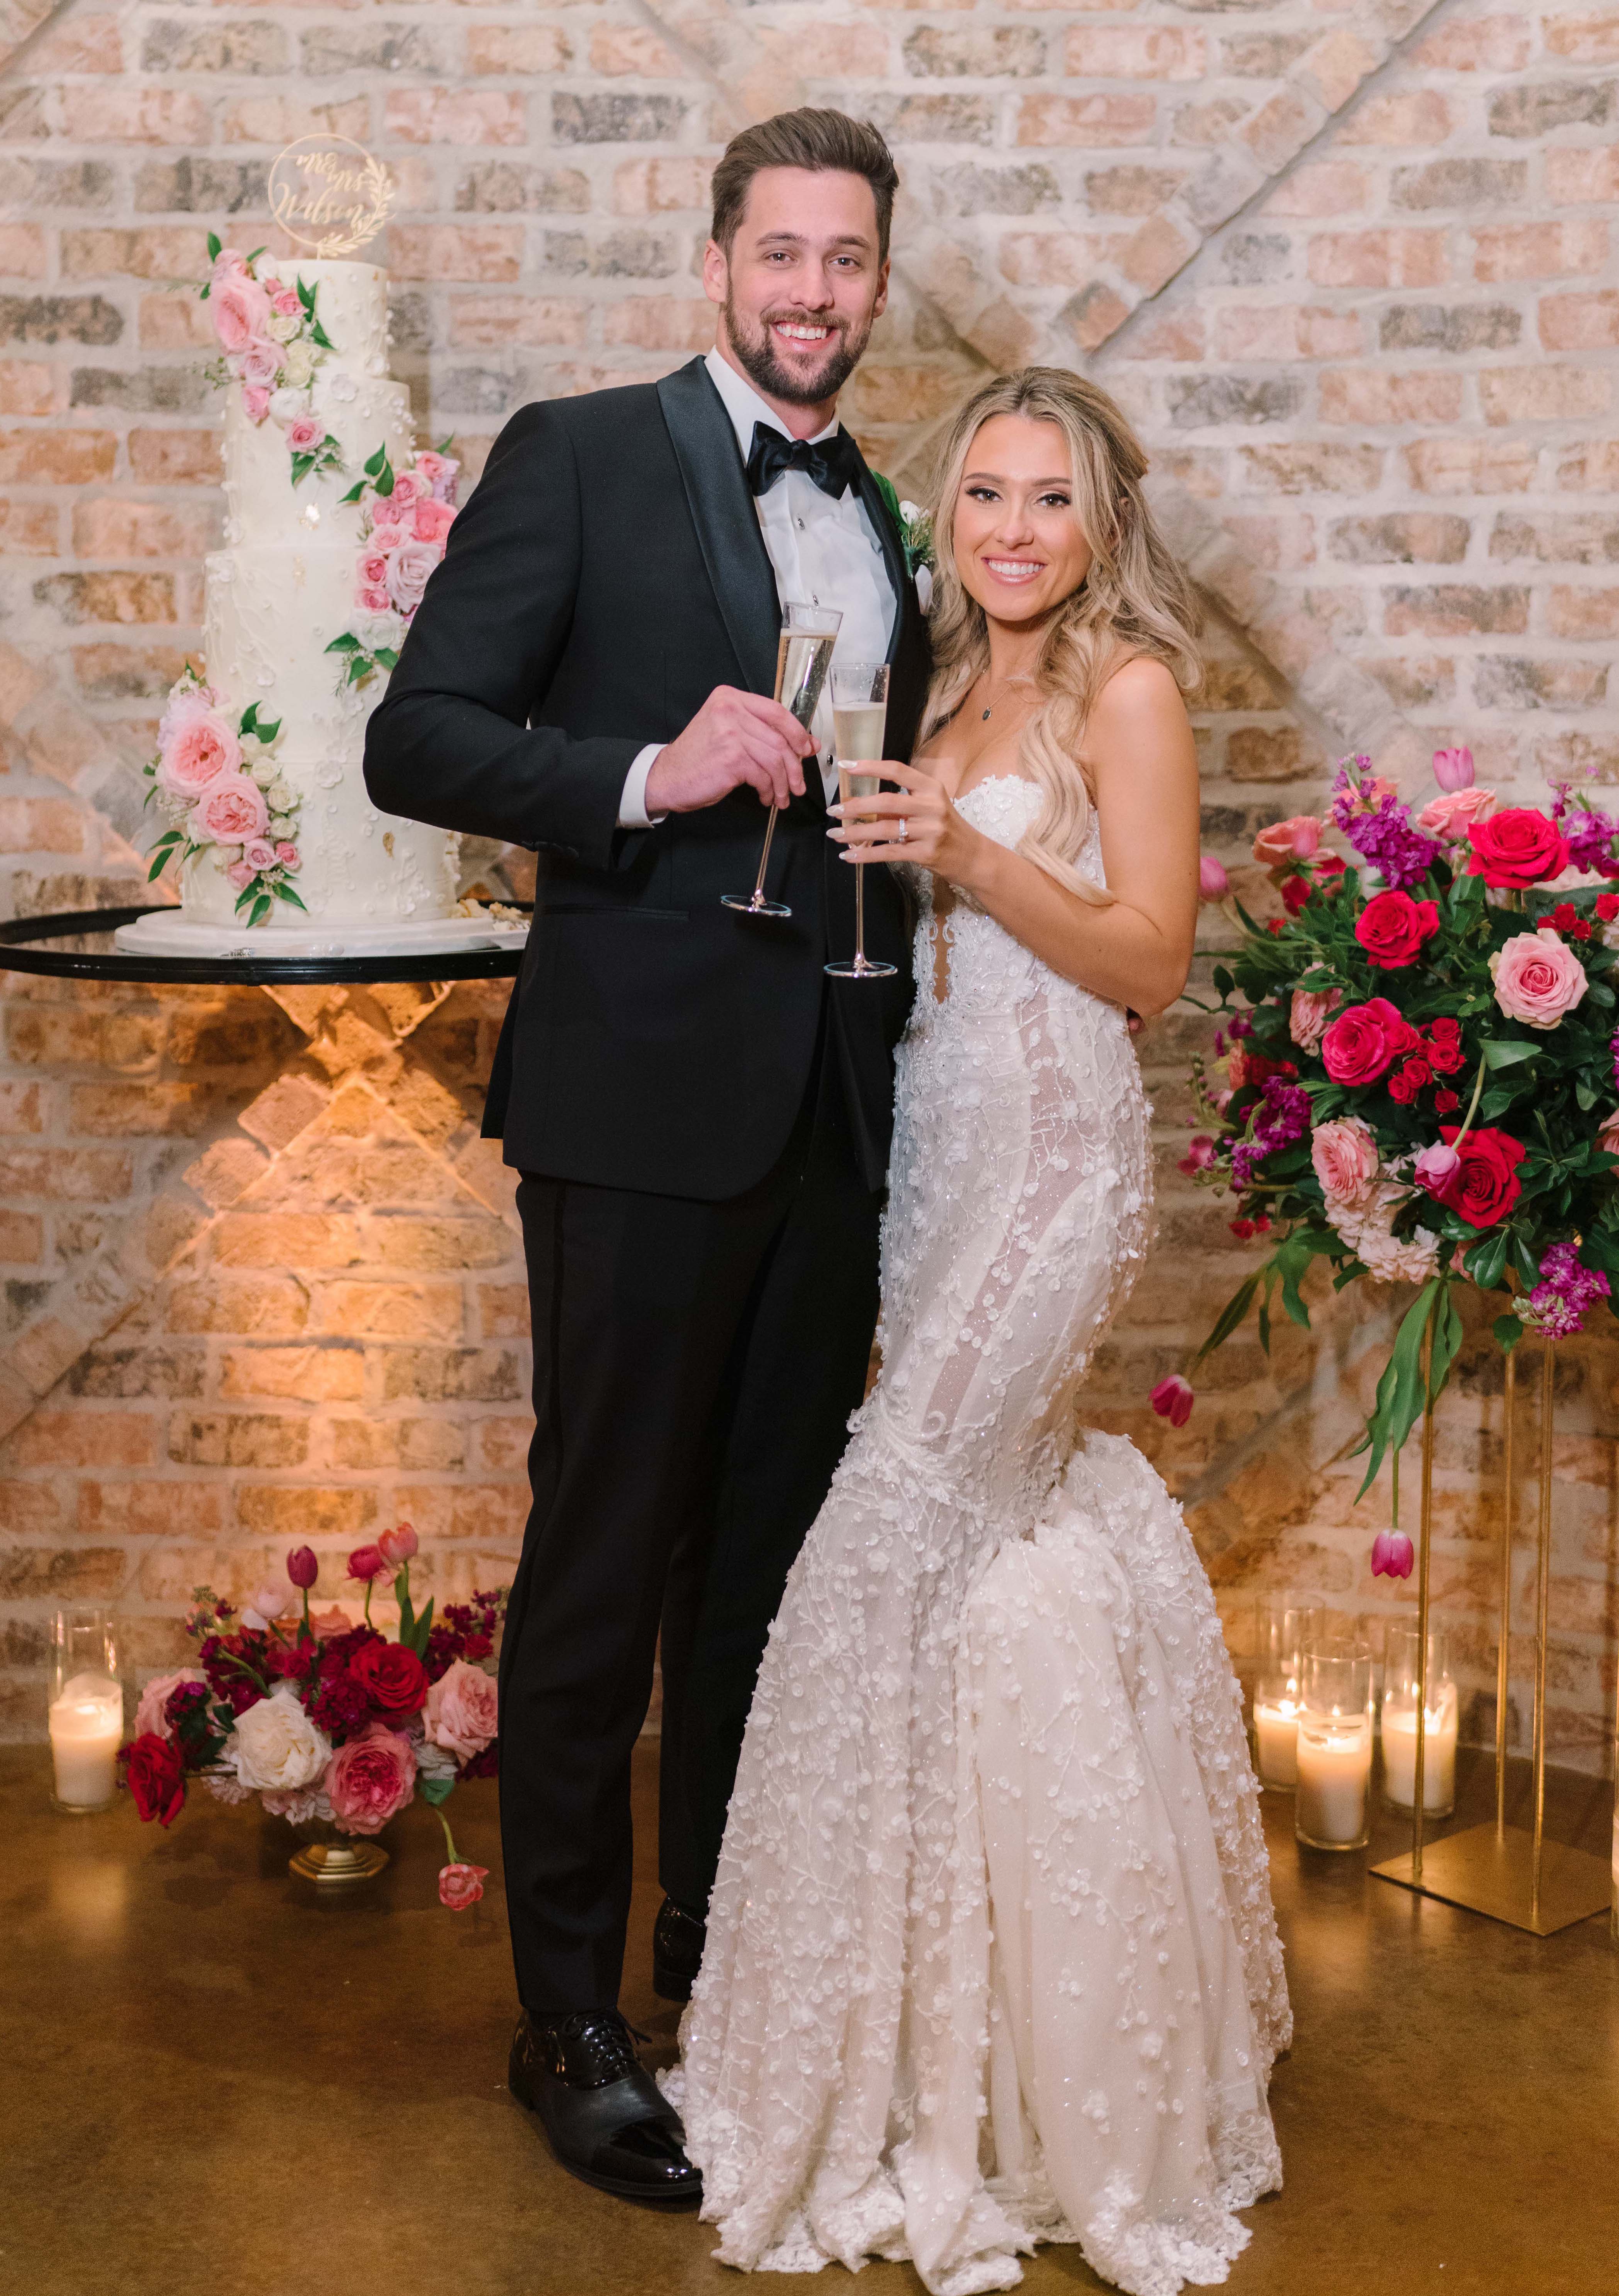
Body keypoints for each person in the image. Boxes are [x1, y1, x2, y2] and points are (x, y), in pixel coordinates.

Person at [667, 369, 1292, 2295]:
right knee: (961, 1570)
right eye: (987, 497)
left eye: (1052, 501)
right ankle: (967, 2052)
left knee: (884, 1533)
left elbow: (1151, 960)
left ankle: (835, 2058)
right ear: (949, 518)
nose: (1013, 531)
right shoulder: (938, 682)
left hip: (1051, 1171)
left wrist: (970, 855)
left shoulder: (1125, 692)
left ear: (1103, 525)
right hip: (929, 1162)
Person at [363, 108, 932, 2204]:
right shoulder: (586, 449)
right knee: (605, 1565)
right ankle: (571, 2019)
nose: (810, 294)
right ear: (715, 266)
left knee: (764, 1574)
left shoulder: (897, 509)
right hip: (632, 1104)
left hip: (836, 1103)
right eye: (778, 255)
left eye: (845, 262)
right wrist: (642, 767)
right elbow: (415, 730)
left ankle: (721, 1960)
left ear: (879, 282)